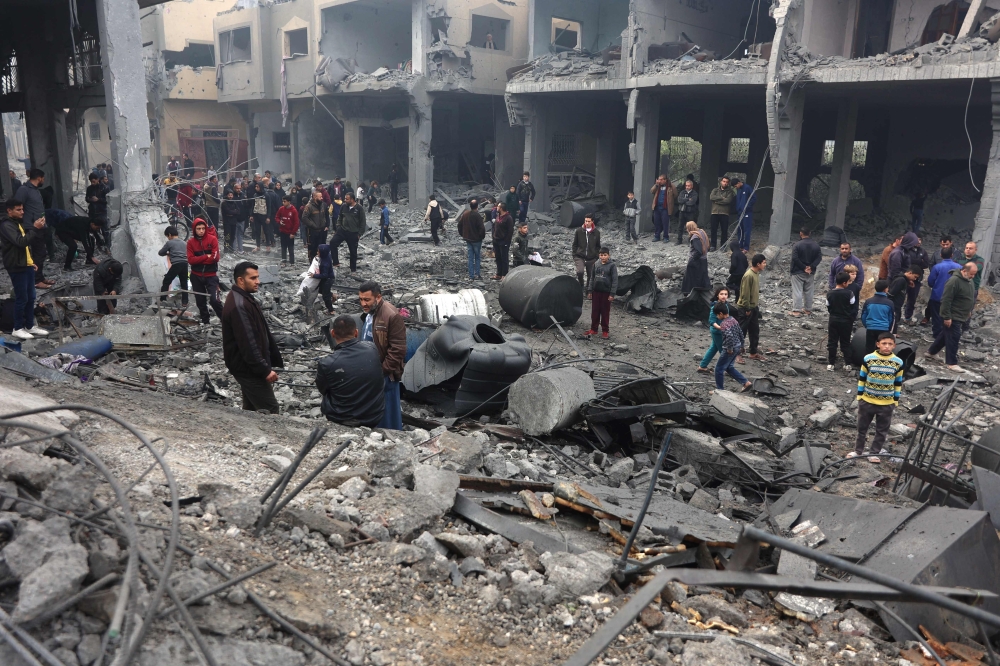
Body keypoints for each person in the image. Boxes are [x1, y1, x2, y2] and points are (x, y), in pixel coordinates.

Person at [222, 261, 283, 413]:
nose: (258, 282)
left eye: (258, 277)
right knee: (270, 410)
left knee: (250, 410)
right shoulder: (240, 306)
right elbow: (248, 343)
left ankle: (246, 436)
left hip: (246, 367)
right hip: (249, 369)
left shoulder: (242, 298)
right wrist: (264, 370)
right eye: (253, 278)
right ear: (240, 280)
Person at [316, 315, 385, 426]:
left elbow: (323, 389)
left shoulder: (326, 363)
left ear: (332, 333)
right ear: (356, 332)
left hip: (342, 417)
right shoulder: (372, 348)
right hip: (374, 415)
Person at [359, 280, 406, 430]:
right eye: (361, 299)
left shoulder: (391, 315)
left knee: (388, 414)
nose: (363, 303)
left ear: (378, 297)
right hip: (370, 373)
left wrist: (382, 372)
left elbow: (398, 349)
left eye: (367, 299)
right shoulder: (369, 314)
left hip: (385, 375)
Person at [852, 332, 905, 463]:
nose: (886, 346)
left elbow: (898, 383)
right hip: (867, 401)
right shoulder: (868, 358)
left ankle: (874, 453)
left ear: (894, 346)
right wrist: (860, 397)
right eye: (884, 343)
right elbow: (862, 378)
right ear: (878, 344)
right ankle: (857, 451)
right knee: (862, 428)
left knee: (882, 431)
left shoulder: (898, 362)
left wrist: (895, 400)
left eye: (890, 344)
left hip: (886, 403)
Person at [0, 199, 49, 339]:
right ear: (9, 211)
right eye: (18, 210)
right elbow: (21, 242)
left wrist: (30, 262)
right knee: (21, 297)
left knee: (31, 296)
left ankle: (29, 325)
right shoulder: (7, 225)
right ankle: (17, 327)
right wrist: (34, 228)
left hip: (24, 265)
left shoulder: (16, 223)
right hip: (16, 266)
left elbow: (24, 248)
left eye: (22, 209)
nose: (22, 212)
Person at [924, 262, 978, 372]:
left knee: (945, 335)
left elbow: (969, 297)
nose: (973, 276)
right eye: (971, 274)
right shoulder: (954, 281)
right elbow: (946, 300)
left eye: (974, 274)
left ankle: (931, 352)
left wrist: (968, 311)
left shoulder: (969, 281)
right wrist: (947, 317)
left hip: (961, 314)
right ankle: (952, 363)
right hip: (953, 315)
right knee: (954, 337)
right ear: (964, 271)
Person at [187, 218, 223, 324]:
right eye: (198, 228)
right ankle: (205, 323)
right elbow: (190, 260)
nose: (201, 231)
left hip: (211, 276)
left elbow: (215, 258)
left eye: (203, 228)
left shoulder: (212, 239)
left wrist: (198, 260)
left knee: (215, 300)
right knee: (200, 302)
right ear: (194, 229)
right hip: (196, 276)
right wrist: (205, 257)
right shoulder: (191, 242)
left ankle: (226, 320)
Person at [714, 303, 752, 392]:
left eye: (717, 315)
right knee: (729, 367)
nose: (717, 317)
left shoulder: (724, 324)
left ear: (721, 314)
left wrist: (729, 348)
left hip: (730, 349)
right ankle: (745, 383)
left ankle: (720, 390)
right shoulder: (733, 320)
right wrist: (742, 345)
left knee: (719, 369)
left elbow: (729, 336)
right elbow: (740, 333)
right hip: (737, 346)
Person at [736, 253, 767, 360]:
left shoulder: (756, 273)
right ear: (758, 264)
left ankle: (753, 352)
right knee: (742, 331)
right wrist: (747, 308)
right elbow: (744, 294)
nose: (765, 265)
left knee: (754, 331)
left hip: (753, 307)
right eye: (764, 263)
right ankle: (736, 354)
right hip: (746, 308)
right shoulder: (748, 275)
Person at [927, 245, 961, 338]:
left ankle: (937, 336)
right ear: (952, 255)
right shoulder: (959, 267)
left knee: (937, 317)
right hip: (953, 298)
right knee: (950, 316)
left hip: (937, 296)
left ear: (941, 255)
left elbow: (930, 282)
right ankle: (948, 335)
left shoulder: (937, 267)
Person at [584, 247, 618, 339]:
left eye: (604, 255)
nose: (602, 257)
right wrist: (590, 290)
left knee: (605, 312)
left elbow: (615, 281)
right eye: (601, 255)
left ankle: (605, 331)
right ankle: (593, 329)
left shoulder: (612, 266)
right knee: (595, 311)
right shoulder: (596, 264)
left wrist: (612, 294)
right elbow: (592, 278)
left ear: (608, 255)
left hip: (606, 293)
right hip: (596, 291)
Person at [826, 271, 857, 371]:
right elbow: (852, 306)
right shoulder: (850, 293)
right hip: (846, 321)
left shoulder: (830, 293)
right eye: (848, 282)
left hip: (833, 320)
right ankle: (847, 363)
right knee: (845, 342)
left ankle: (831, 363)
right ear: (844, 283)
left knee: (832, 341)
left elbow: (828, 306)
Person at [699, 286, 733, 373]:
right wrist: (720, 327)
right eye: (721, 294)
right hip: (718, 332)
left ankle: (703, 366)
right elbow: (711, 320)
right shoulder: (715, 306)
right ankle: (728, 368)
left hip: (721, 331)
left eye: (725, 294)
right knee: (725, 350)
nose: (723, 296)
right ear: (717, 295)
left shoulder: (725, 305)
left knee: (714, 348)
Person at [789, 227, 821, 316]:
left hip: (797, 271)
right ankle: (807, 310)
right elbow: (819, 258)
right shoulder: (816, 245)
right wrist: (811, 267)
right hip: (810, 272)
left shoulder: (797, 245)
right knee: (809, 291)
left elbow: (795, 258)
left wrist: (803, 267)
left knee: (797, 291)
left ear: (801, 233)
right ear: (810, 233)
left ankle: (796, 310)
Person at [332, 191, 365, 273]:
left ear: (352, 199)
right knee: (332, 243)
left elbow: (363, 222)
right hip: (342, 231)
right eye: (345, 198)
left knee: (353, 252)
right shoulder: (343, 206)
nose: (345, 200)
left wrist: (359, 234)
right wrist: (338, 226)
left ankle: (353, 269)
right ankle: (336, 263)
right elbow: (340, 217)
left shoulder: (359, 208)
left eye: (347, 199)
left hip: (353, 233)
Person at [158, 226, 189, 310]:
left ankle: (162, 299)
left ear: (170, 235)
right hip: (185, 264)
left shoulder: (170, 243)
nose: (168, 238)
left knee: (166, 280)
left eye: (167, 236)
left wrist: (168, 253)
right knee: (184, 283)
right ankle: (185, 302)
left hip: (176, 264)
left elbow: (160, 253)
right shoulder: (184, 243)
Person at [860, 280, 895, 354]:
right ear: (885, 289)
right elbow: (891, 318)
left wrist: (867, 325)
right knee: (881, 349)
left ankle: (868, 364)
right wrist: (888, 329)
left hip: (871, 328)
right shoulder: (890, 303)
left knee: (869, 348)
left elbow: (863, 316)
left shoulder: (868, 301)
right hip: (883, 329)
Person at [572, 214, 601, 297]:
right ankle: (581, 285)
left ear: (592, 221)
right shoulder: (579, 231)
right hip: (579, 256)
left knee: (591, 275)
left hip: (591, 258)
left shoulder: (597, 233)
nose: (587, 223)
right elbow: (575, 244)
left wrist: (596, 256)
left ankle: (588, 290)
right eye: (585, 221)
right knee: (580, 272)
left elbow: (598, 246)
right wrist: (574, 254)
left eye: (588, 221)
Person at [458, 199, 486, 280]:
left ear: (470, 206)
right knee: (477, 257)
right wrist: (481, 237)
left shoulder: (465, 214)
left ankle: (471, 276)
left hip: (468, 239)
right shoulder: (477, 216)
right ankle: (477, 274)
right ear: (477, 206)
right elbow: (482, 228)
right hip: (476, 240)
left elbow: (459, 225)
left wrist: (463, 234)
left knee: (470, 258)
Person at [961, 241, 985, 332]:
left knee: (968, 308)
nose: (968, 250)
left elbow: (974, 268)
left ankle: (965, 329)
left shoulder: (980, 260)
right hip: (960, 287)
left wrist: (962, 267)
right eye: (966, 248)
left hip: (972, 289)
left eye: (970, 248)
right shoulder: (959, 258)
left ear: (976, 250)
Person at [681, 221, 710, 294]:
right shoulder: (701, 232)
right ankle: (704, 291)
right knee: (702, 276)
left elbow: (698, 251)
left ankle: (689, 292)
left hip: (697, 260)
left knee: (691, 277)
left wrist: (693, 259)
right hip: (704, 259)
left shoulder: (695, 237)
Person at [888, 268, 920, 333]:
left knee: (896, 320)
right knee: (893, 321)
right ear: (910, 273)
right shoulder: (901, 280)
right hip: (894, 305)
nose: (915, 279)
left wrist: (908, 283)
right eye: (915, 276)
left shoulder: (904, 280)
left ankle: (894, 333)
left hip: (897, 305)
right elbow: (891, 293)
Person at [708, 176, 735, 251]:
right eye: (724, 181)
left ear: (728, 183)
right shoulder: (715, 190)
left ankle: (723, 245)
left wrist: (717, 201)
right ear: (721, 182)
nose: (725, 183)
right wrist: (722, 198)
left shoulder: (730, 192)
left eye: (727, 182)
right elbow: (711, 197)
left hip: (724, 213)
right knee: (713, 230)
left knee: (724, 230)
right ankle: (713, 245)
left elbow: (728, 201)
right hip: (714, 212)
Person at [301, 190, 328, 261]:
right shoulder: (309, 206)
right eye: (320, 197)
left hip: (321, 230)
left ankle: (320, 263)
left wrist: (325, 224)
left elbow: (324, 215)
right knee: (312, 248)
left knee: (320, 247)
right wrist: (313, 225)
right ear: (315, 197)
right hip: (312, 231)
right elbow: (304, 218)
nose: (322, 198)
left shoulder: (322, 205)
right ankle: (312, 264)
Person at [732, 177, 756, 251]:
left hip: (747, 213)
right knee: (740, 230)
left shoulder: (747, 188)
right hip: (740, 213)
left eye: (736, 186)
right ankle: (740, 245)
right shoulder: (738, 190)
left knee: (746, 230)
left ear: (739, 182)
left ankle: (746, 247)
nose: (736, 187)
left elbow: (754, 198)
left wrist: (747, 207)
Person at [649, 174, 675, 243]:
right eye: (659, 179)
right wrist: (656, 185)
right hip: (657, 207)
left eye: (661, 179)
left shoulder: (670, 186)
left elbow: (675, 195)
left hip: (665, 208)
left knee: (665, 223)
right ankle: (657, 236)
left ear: (665, 180)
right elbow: (651, 191)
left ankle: (666, 237)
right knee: (656, 222)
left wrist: (671, 184)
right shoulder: (657, 186)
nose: (659, 181)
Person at [85, 172, 109, 247]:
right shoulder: (89, 188)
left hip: (102, 211)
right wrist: (90, 199)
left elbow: (107, 200)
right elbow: (86, 198)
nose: (92, 183)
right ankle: (99, 243)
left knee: (105, 230)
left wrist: (98, 200)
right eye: (91, 181)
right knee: (93, 229)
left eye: (93, 181)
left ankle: (107, 246)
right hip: (92, 212)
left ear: (98, 179)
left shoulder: (105, 188)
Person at [275, 195, 300, 265]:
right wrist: (279, 221)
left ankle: (292, 262)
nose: (283, 203)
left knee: (290, 248)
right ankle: (284, 261)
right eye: (282, 201)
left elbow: (296, 223)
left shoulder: (293, 211)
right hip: (283, 231)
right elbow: (277, 217)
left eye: (284, 201)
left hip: (290, 233)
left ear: (289, 202)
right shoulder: (281, 209)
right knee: (283, 247)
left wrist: (293, 233)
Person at [492, 202, 513, 279]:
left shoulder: (508, 218)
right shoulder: (498, 216)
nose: (496, 208)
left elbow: (510, 231)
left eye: (498, 207)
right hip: (496, 240)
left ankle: (504, 275)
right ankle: (498, 274)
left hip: (504, 241)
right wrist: (494, 237)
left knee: (504, 258)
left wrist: (506, 241)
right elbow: (495, 228)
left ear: (501, 208)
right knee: (498, 257)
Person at [676, 179, 699, 245]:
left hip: (690, 212)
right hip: (682, 211)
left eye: (689, 186)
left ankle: (691, 240)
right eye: (686, 185)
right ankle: (679, 240)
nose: (687, 187)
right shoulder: (682, 192)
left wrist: (684, 201)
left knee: (691, 227)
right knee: (680, 226)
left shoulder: (694, 193)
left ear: (692, 186)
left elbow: (692, 202)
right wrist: (687, 199)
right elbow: (679, 200)